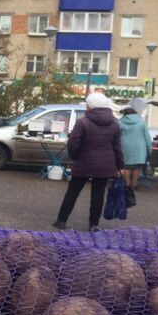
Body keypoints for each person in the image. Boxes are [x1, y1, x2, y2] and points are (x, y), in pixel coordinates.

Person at [53, 92, 123, 232]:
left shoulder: (82, 122)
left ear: (90, 107)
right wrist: (120, 165)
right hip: (105, 164)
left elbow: (73, 143)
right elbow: (117, 147)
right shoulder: (115, 123)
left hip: (83, 162)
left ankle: (61, 221)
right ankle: (93, 225)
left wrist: (75, 156)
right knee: (98, 195)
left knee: (73, 192)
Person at [119, 98, 152, 190]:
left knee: (126, 166)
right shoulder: (141, 123)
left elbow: (116, 136)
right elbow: (147, 137)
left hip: (125, 147)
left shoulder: (120, 123)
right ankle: (134, 184)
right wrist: (149, 148)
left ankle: (127, 183)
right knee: (137, 167)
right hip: (140, 148)